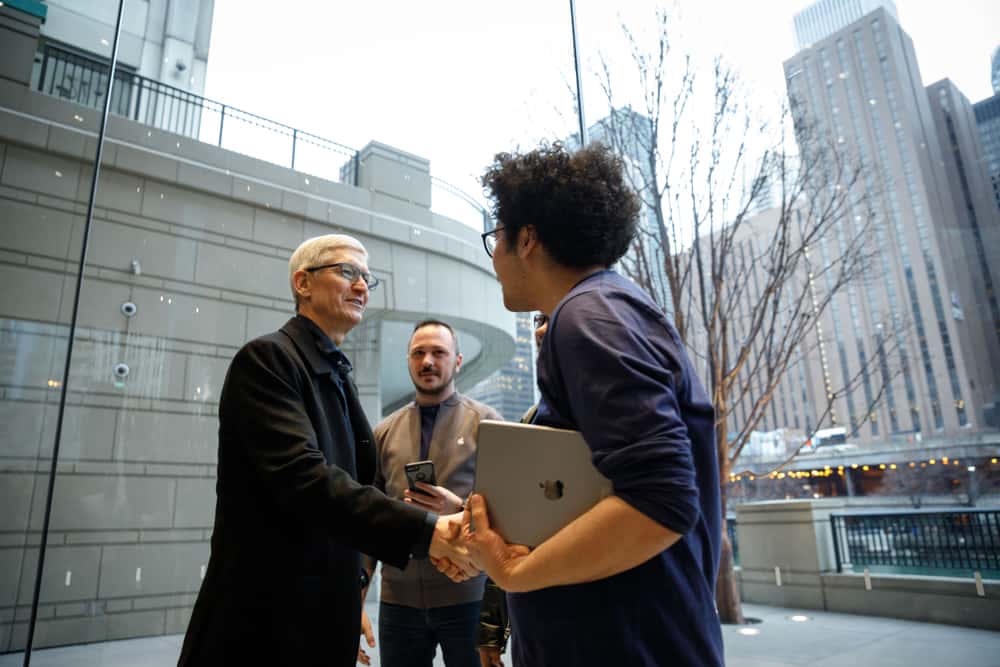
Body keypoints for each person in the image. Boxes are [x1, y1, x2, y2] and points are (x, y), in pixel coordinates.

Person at [463, 143, 724, 666]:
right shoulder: (604, 309)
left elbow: (662, 499)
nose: (493, 257)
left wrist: (513, 572)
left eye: (496, 238)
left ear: (527, 239)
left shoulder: (587, 317)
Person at [178, 234, 474, 667]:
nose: (362, 286)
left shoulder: (335, 374)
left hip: (319, 616)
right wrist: (430, 533)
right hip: (266, 624)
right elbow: (307, 481)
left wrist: (352, 597)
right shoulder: (267, 360)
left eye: (368, 278)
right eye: (347, 271)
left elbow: (350, 500)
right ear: (303, 283)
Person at [363, 319, 503, 667]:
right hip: (398, 602)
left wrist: (457, 507)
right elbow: (369, 521)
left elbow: (509, 514)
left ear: (458, 361)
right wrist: (357, 598)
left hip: (467, 598)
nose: (427, 361)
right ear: (408, 361)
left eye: (439, 352)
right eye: (418, 353)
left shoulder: (487, 422)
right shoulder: (384, 432)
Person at [477, 313, 547, 667]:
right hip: (532, 624)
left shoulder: (616, 415)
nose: (541, 330)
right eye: (538, 319)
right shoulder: (530, 421)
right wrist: (491, 629)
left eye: (554, 316)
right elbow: (505, 525)